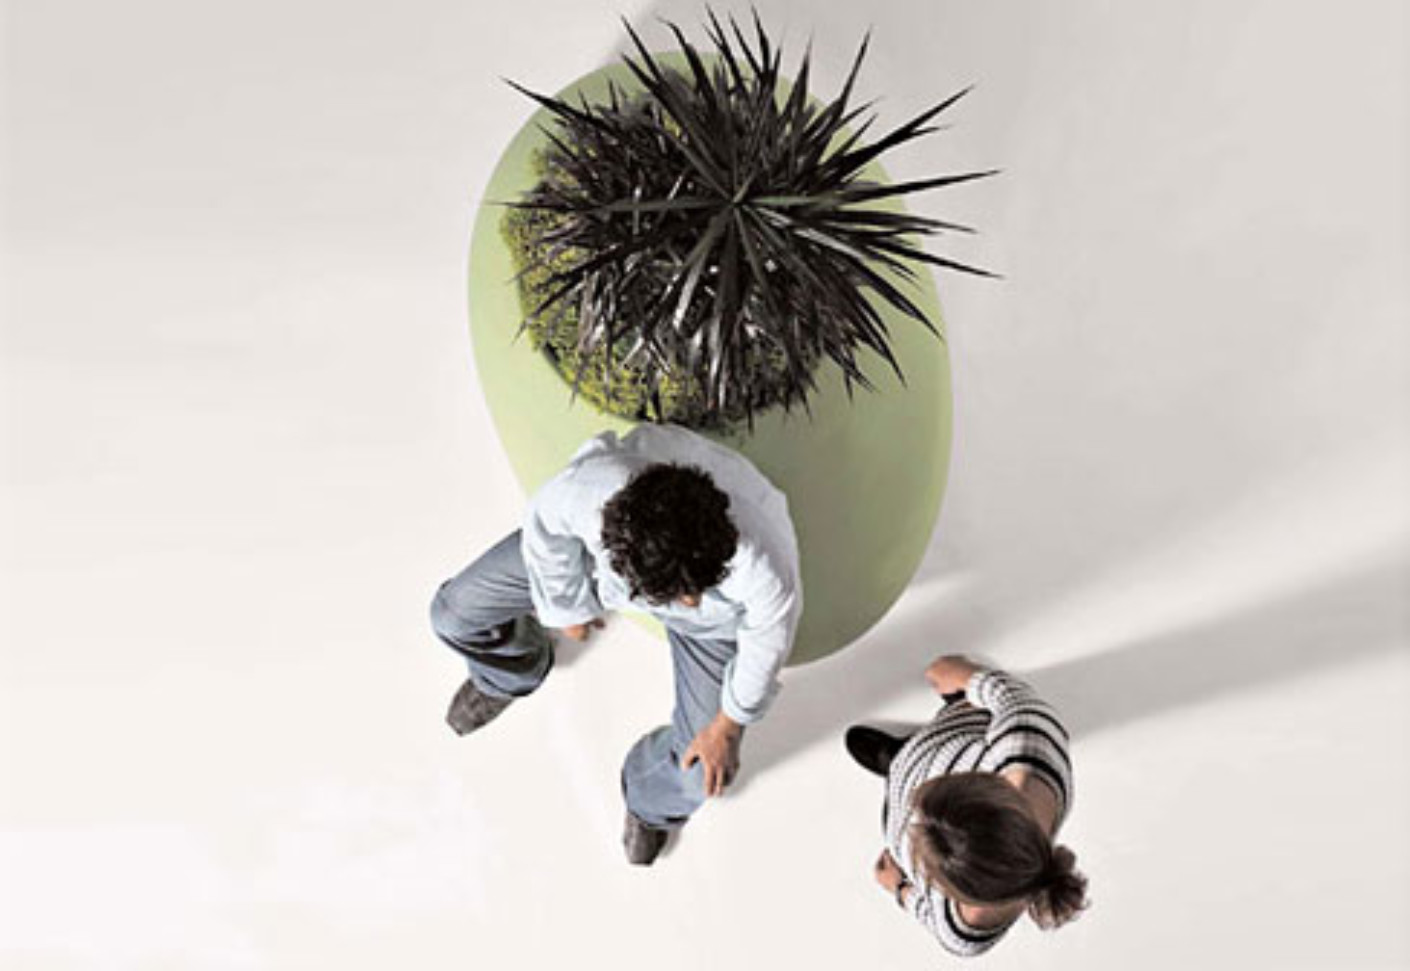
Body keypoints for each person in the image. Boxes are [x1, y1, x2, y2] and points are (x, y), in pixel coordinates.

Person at [429, 423, 802, 866]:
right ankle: (512, 669)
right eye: (681, 594)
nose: (688, 601)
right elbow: (545, 526)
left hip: (714, 625)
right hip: (601, 570)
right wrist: (566, 608)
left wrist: (728, 726)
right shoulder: (590, 490)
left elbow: (767, 641)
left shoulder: (765, 563)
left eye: (694, 591)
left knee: (701, 774)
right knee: (451, 614)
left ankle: (648, 800)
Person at [845, 655, 1088, 955]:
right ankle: (903, 755)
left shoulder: (964, 933)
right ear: (995, 788)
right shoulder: (1030, 747)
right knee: (929, 745)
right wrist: (968, 677)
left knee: (901, 778)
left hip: (912, 779)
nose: (916, 813)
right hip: (951, 737)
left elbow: (931, 917)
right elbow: (1011, 698)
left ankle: (896, 761)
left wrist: (901, 889)